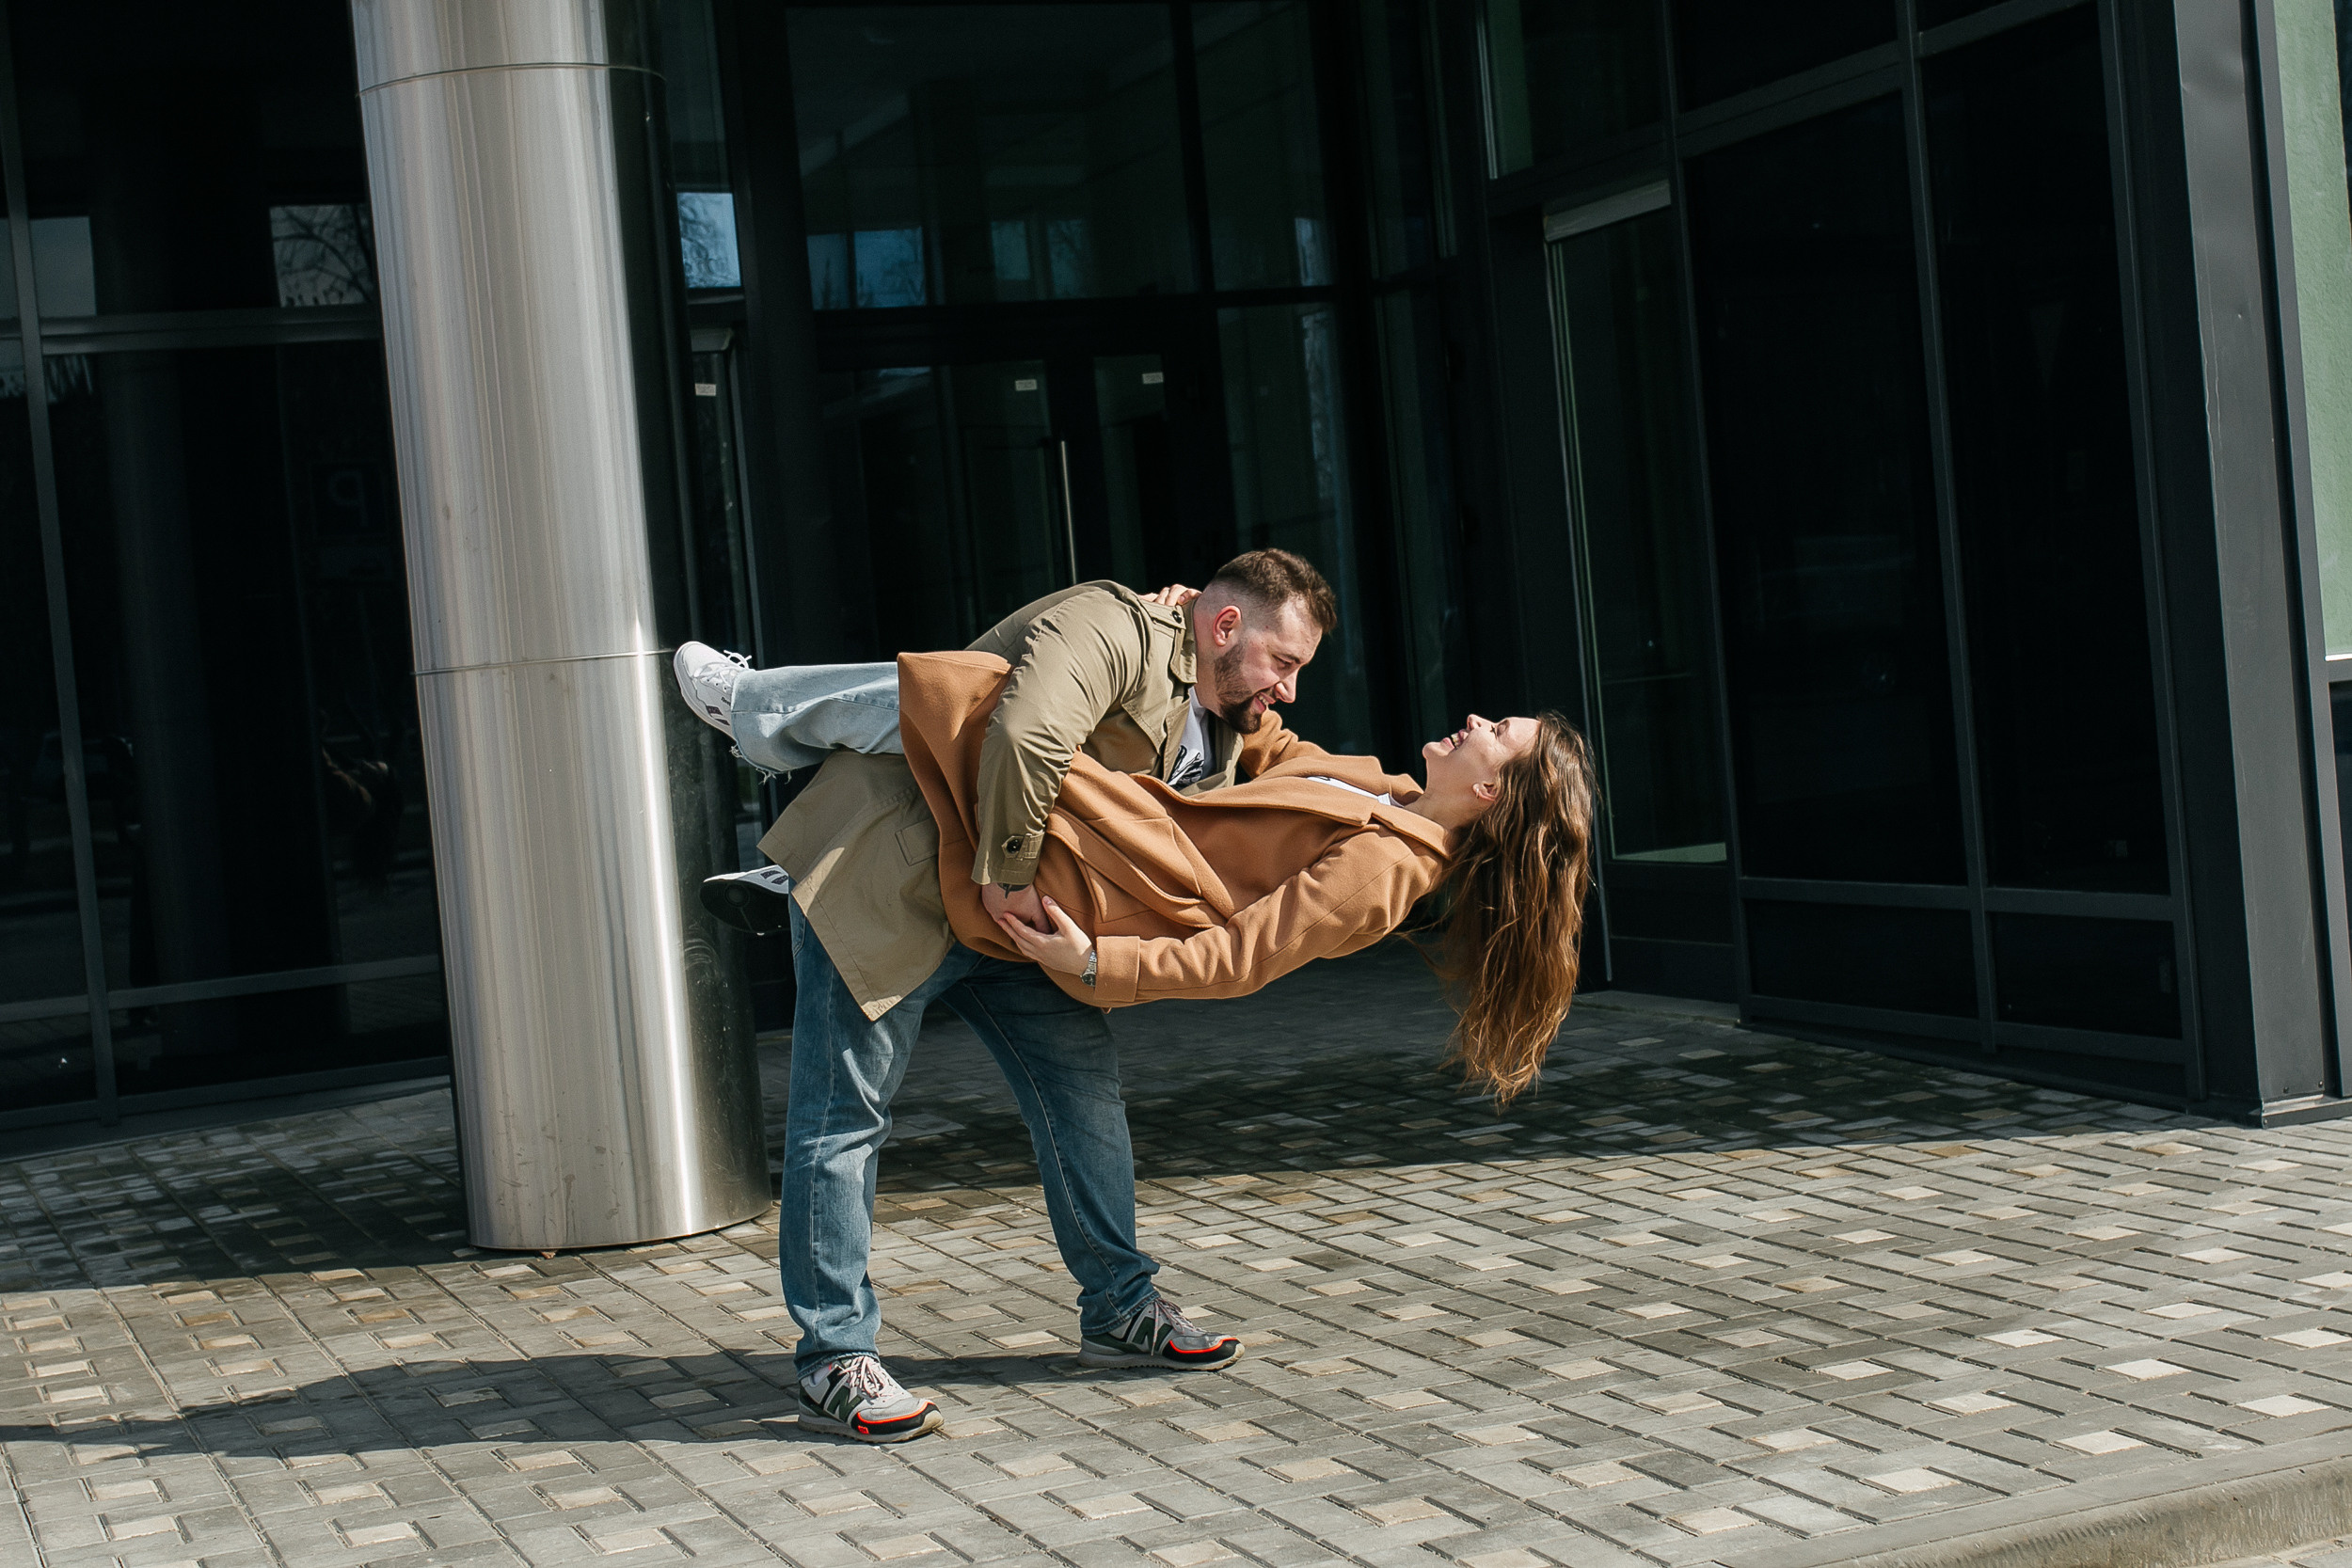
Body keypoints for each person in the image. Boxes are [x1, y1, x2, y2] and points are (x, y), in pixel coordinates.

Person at [674, 553, 1342, 1445]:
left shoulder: (1224, 729)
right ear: (1224, 627)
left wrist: (1421, 806)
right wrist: (1012, 876)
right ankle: (834, 1355)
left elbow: (1307, 780)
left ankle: (1119, 1307)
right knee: (842, 1119)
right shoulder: (1117, 626)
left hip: (1015, 932)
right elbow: (1026, 733)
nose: (1288, 689)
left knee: (1082, 1097)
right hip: (908, 881)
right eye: (1284, 663)